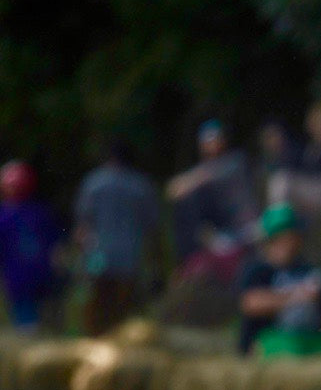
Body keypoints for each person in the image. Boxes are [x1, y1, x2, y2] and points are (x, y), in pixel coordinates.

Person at [73, 140, 160, 336]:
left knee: (96, 306)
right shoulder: (141, 186)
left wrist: (80, 259)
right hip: (129, 258)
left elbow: (82, 226)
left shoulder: (93, 183)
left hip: (97, 257)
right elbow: (152, 229)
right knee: (124, 310)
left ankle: (94, 344)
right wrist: (155, 265)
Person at [237, 204, 321, 357]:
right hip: (269, 339)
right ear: (271, 241)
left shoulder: (308, 270)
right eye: (285, 237)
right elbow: (251, 303)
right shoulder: (257, 270)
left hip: (309, 339)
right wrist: (297, 297)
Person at [167, 119, 257, 281]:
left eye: (216, 139)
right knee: (188, 203)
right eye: (208, 141)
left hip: (246, 229)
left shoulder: (236, 161)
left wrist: (185, 184)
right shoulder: (203, 170)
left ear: (224, 140)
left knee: (192, 196)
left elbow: (197, 179)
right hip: (223, 229)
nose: (213, 144)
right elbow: (173, 190)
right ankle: (184, 262)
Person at [0, 160, 64, 334]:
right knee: (47, 324)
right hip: (43, 277)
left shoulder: (4, 217)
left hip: (18, 280)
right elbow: (56, 248)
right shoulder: (41, 212)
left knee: (27, 327)